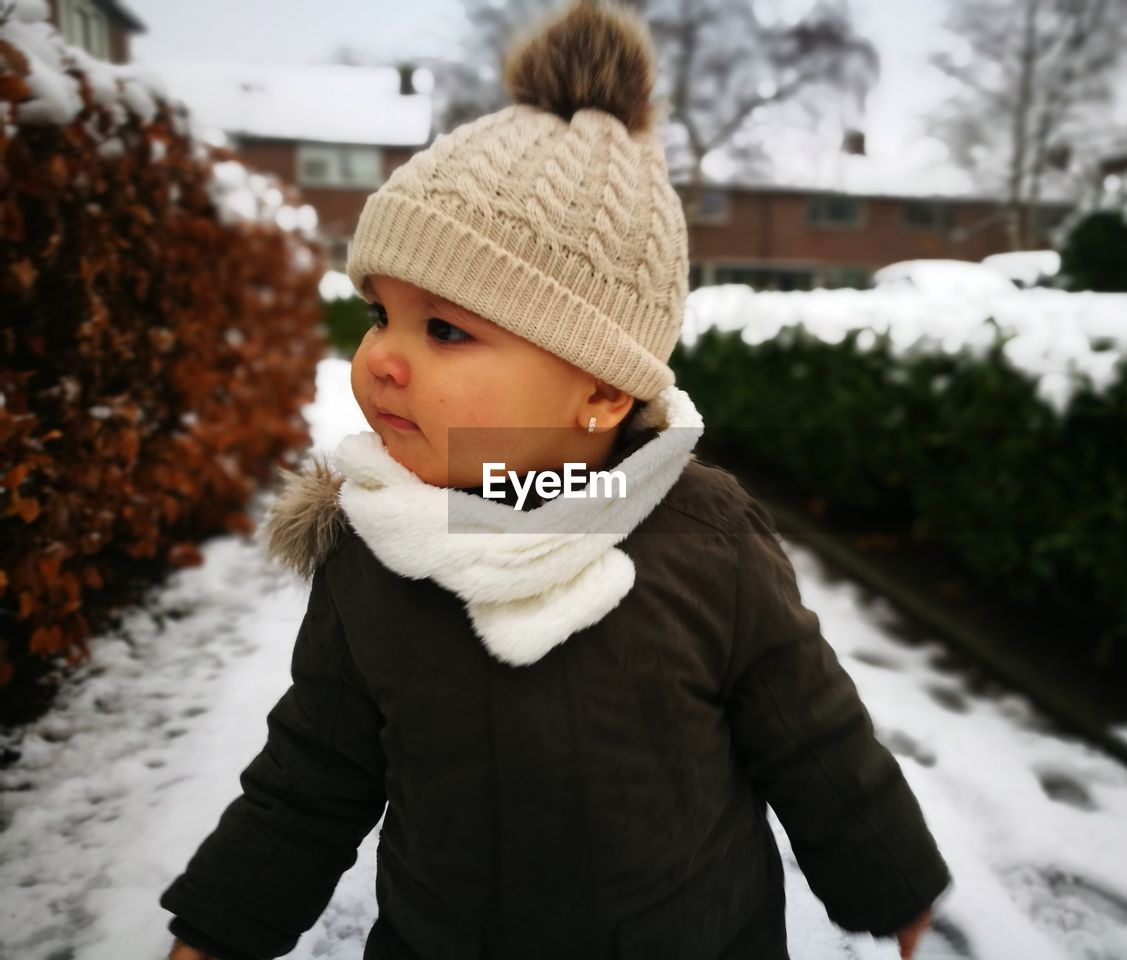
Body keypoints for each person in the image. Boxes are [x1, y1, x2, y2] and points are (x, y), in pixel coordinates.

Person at [159, 1, 951, 957]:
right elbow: (313, 771)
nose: (382, 360)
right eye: (381, 313)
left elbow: (811, 727)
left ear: (605, 391)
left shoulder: (702, 537)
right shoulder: (377, 543)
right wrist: (220, 925)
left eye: (446, 328)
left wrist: (889, 875)